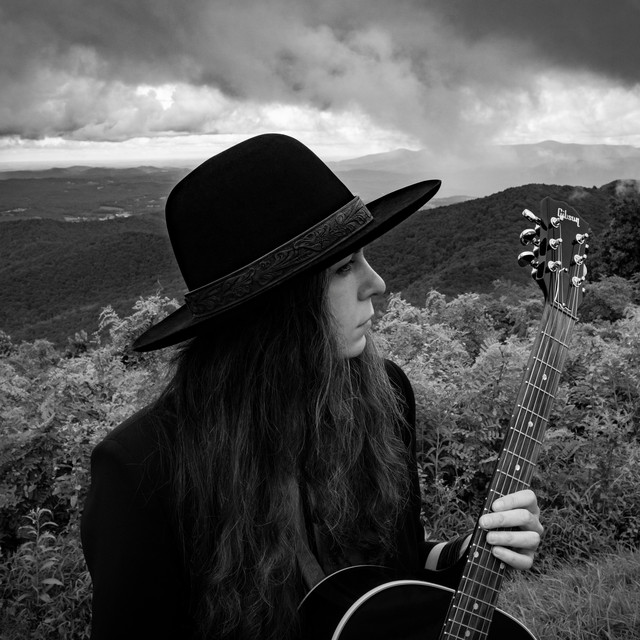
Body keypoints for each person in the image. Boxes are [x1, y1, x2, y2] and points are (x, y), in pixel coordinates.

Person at [81, 133, 542, 640]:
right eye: (344, 267)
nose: (377, 283)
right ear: (275, 310)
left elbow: (400, 567)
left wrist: (473, 552)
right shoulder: (143, 468)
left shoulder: (384, 396)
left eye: (363, 256)